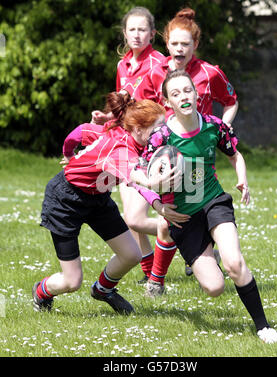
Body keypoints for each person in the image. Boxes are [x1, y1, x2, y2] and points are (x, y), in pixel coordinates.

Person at [131, 69, 277, 344]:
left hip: (214, 201)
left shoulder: (213, 125)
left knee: (235, 263)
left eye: (187, 90)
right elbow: (136, 173)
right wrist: (156, 194)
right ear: (168, 102)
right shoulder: (161, 137)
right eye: (175, 94)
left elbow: (234, 154)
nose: (183, 96)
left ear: (196, 93)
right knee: (214, 287)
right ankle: (206, 250)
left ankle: (264, 327)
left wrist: (242, 179)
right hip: (183, 218)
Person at [32, 91, 189, 315]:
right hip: (65, 200)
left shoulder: (136, 141)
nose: (162, 134)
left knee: (132, 255)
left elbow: (80, 133)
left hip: (98, 199)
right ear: (138, 129)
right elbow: (136, 177)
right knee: (72, 281)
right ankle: (41, 292)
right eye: (157, 129)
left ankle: (103, 290)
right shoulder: (120, 148)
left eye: (163, 128)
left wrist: (157, 205)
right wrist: (68, 155)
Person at [134, 7, 238, 278]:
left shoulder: (209, 72)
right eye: (174, 43)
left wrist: (224, 127)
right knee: (164, 218)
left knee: (176, 218)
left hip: (199, 156)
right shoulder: (156, 73)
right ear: (166, 44)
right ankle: (176, 267)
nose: (179, 49)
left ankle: (162, 276)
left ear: (195, 45)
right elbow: (139, 107)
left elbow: (231, 101)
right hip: (166, 156)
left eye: (185, 44)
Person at [90, 7, 165, 283]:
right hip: (126, 142)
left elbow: (166, 108)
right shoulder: (123, 65)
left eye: (142, 29)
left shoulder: (160, 64)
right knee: (129, 215)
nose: (136, 34)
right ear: (124, 33)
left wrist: (158, 137)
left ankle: (191, 233)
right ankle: (150, 274)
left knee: (135, 218)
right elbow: (124, 107)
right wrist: (107, 117)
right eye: (132, 29)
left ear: (152, 34)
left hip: (151, 146)